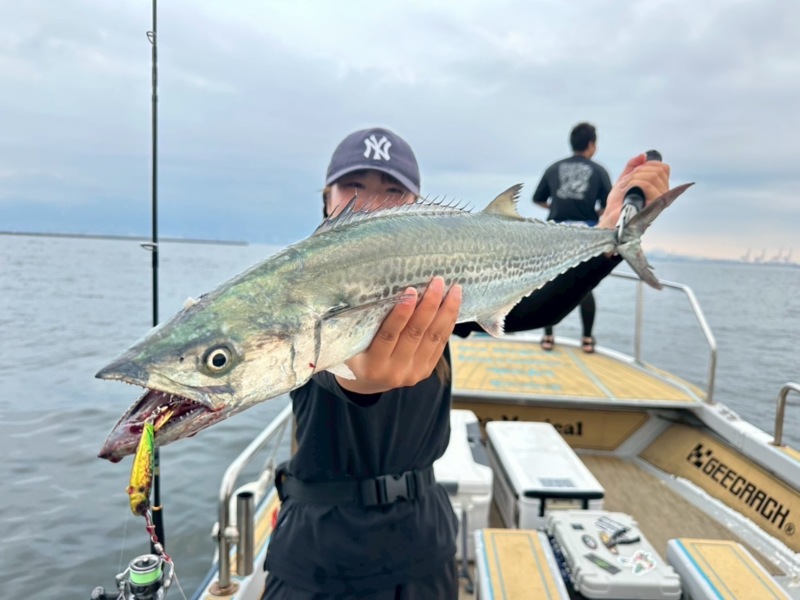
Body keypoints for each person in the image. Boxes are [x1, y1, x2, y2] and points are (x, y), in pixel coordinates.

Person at [262, 126, 671, 599]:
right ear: (325, 201)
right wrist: (358, 384)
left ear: (417, 207)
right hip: (318, 549)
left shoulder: (431, 279)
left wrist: (609, 237)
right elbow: (305, 361)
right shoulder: (295, 291)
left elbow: (536, 307)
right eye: (354, 187)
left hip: (424, 538)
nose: (372, 203)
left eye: (392, 190)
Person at [532, 122, 613, 353]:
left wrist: (555, 206)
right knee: (584, 286)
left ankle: (548, 338)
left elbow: (537, 199)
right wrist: (594, 213)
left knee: (549, 283)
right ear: (592, 144)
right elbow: (608, 205)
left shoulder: (553, 168)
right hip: (585, 234)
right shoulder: (598, 171)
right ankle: (587, 339)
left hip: (555, 231)